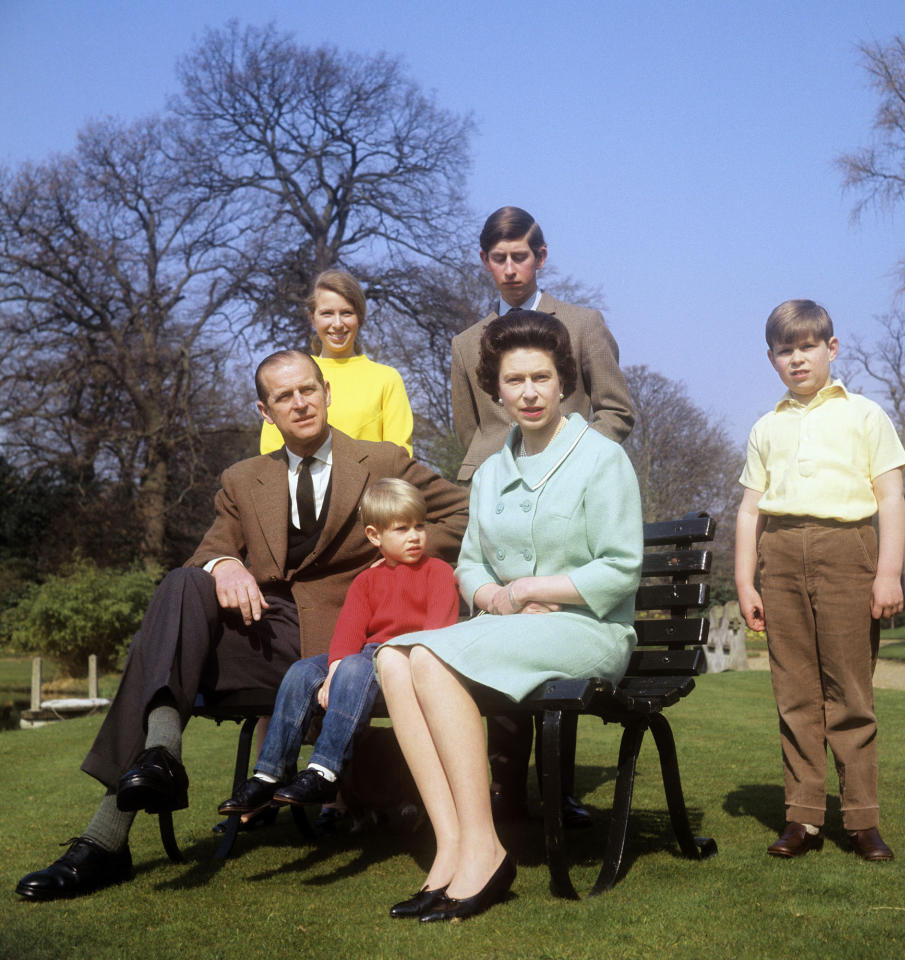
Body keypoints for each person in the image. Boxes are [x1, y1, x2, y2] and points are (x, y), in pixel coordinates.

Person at [15, 351, 468, 902]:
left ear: (327, 391)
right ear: (265, 411)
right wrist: (225, 564)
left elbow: (464, 514)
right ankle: (159, 756)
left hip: (347, 646)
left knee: (158, 651)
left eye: (307, 389)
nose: (299, 402)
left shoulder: (383, 460)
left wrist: (398, 549)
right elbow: (209, 549)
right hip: (268, 638)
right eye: (283, 397)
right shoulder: (243, 478)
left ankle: (105, 838)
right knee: (183, 584)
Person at [376, 311, 644, 922]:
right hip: (515, 627)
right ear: (496, 388)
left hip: (590, 632)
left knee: (431, 657)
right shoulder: (494, 468)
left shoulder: (601, 459)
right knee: (393, 658)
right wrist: (500, 597)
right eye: (514, 380)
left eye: (541, 378)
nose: (528, 393)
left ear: (563, 382)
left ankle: (487, 849)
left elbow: (621, 568)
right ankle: (452, 847)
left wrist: (537, 588)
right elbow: (470, 566)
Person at [450, 205, 637, 826]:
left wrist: (573, 460)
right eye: (497, 258)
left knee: (547, 632)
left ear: (541, 255)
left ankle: (553, 792)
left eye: (520, 256)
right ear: (485, 262)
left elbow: (615, 408)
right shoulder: (466, 343)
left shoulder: (581, 324)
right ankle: (502, 793)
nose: (509, 268)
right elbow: (472, 433)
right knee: (493, 630)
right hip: (496, 496)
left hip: (570, 496)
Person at [734, 299, 905, 862]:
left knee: (850, 693)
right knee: (795, 695)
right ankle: (803, 818)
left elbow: (890, 498)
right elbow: (748, 511)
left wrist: (887, 573)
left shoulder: (865, 415)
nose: (797, 359)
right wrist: (745, 581)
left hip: (848, 551)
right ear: (771, 359)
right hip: (780, 555)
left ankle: (861, 820)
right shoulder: (766, 427)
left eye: (808, 346)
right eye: (785, 350)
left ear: (831, 349)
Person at [217, 478, 460, 818]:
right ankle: (269, 773)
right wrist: (332, 672)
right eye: (402, 529)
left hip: (404, 664)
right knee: (303, 670)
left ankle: (326, 770)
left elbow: (437, 635)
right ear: (375, 536)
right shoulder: (367, 581)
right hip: (361, 660)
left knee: (357, 666)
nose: (415, 536)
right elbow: (348, 633)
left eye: (420, 526)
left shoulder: (438, 572)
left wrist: (350, 668)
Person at [260, 269, 414, 455]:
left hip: (370, 483)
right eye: (327, 313)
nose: (338, 323)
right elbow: (272, 453)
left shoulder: (386, 379)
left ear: (360, 318)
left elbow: (399, 457)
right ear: (312, 318)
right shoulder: (292, 375)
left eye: (347, 313)